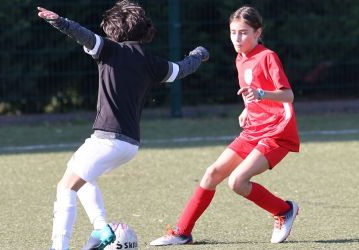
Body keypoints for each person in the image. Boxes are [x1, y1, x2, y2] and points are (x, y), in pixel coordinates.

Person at [37, 1, 209, 249]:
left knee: (65, 188)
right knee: (81, 177)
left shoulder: (109, 50)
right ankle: (101, 228)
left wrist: (58, 21)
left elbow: (82, 35)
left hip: (106, 139)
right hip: (129, 144)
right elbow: (182, 69)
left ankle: (59, 247)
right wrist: (198, 54)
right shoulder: (152, 62)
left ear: (114, 30)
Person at [150, 5, 300, 246]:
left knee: (237, 182)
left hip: (277, 131)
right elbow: (251, 92)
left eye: (243, 32)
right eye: (233, 32)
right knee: (212, 173)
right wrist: (247, 108)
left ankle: (283, 211)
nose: (237, 39)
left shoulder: (268, 57)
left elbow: (288, 95)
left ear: (257, 32)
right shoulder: (241, 59)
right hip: (254, 128)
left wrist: (260, 94)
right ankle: (182, 232)